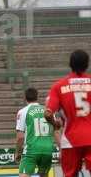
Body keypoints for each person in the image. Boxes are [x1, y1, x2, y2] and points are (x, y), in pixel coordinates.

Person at [44, 49, 91, 177]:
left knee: (69, 175)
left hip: (70, 139)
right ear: (87, 64)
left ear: (70, 64)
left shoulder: (59, 86)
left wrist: (55, 124)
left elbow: (48, 113)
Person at [15, 87, 59, 177]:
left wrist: (18, 152)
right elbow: (56, 132)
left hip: (31, 150)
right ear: (37, 97)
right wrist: (61, 149)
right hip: (47, 150)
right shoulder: (48, 111)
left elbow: (20, 137)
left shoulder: (23, 112)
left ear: (25, 97)